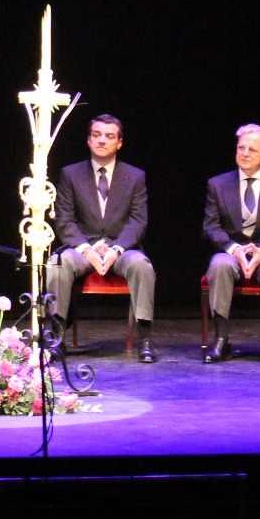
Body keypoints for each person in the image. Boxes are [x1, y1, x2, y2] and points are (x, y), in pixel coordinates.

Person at [45, 114, 156, 361]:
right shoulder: (70, 174)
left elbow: (138, 221)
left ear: (119, 143)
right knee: (57, 264)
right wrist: (86, 249)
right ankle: (56, 337)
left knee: (142, 266)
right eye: (97, 135)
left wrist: (116, 249)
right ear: (88, 140)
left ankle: (145, 339)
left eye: (109, 136)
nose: (102, 140)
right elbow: (64, 219)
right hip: (83, 247)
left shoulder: (135, 176)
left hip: (122, 248)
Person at [201, 124, 260, 364]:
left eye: (252, 150)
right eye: (240, 148)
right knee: (219, 265)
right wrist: (234, 248)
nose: (244, 153)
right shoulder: (218, 184)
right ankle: (221, 340)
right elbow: (210, 227)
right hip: (231, 250)